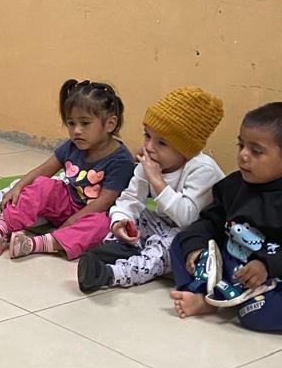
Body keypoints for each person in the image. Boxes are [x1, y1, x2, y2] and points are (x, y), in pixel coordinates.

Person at [77, 87, 224, 293]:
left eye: (162, 143)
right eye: (147, 135)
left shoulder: (202, 169)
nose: (149, 147)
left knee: (167, 246)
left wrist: (157, 181)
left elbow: (188, 218)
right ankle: (120, 247)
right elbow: (130, 199)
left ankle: (109, 274)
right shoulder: (150, 161)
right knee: (130, 217)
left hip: (193, 234)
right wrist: (121, 221)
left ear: (186, 150)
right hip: (162, 223)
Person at [0, 79, 134, 260]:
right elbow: (44, 169)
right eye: (71, 123)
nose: (76, 131)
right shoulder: (73, 145)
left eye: (85, 123)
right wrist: (18, 187)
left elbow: (104, 203)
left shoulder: (121, 160)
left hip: (91, 214)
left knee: (103, 224)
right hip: (66, 205)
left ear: (110, 124)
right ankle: (1, 228)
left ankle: (35, 244)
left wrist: (74, 220)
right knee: (43, 184)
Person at [171, 102, 282, 330]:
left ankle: (237, 301)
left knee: (256, 315)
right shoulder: (232, 185)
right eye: (241, 145)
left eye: (256, 151)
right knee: (181, 242)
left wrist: (266, 265)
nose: (243, 155)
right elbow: (210, 220)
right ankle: (202, 294)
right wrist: (196, 247)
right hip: (227, 264)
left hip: (267, 276)